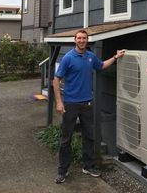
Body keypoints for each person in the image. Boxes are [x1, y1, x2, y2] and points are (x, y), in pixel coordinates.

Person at [53, 29, 125, 184]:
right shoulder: (68, 58)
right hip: (71, 104)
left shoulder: (90, 57)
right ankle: (62, 171)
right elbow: (56, 80)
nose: (81, 40)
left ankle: (89, 166)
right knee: (66, 139)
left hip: (87, 104)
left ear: (87, 40)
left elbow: (101, 65)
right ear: (75, 40)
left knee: (89, 137)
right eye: (79, 38)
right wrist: (59, 102)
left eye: (84, 38)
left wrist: (115, 57)